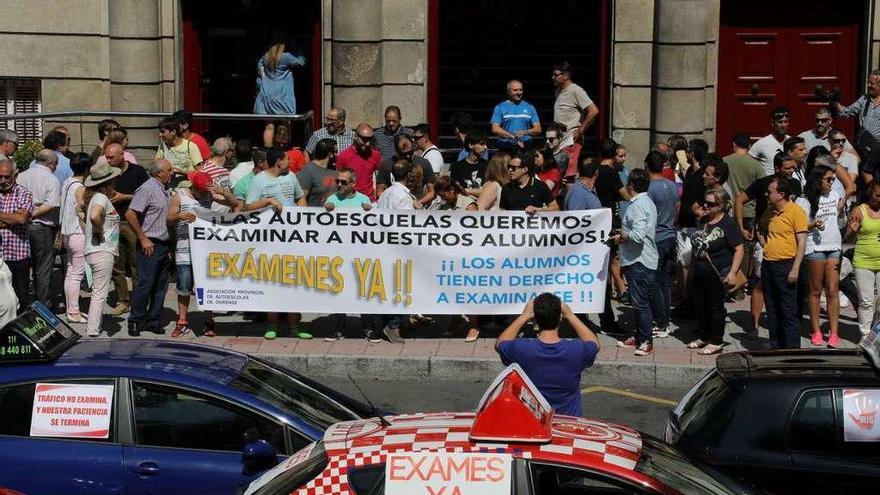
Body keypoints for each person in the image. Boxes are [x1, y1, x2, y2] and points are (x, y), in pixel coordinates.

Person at [495, 293, 600, 417]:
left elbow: (500, 343)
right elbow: (595, 344)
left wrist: (524, 316)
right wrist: (571, 315)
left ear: (535, 319)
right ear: (560, 317)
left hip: (534, 420)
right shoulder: (576, 350)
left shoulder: (521, 349)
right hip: (567, 421)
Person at [244, 148, 309, 340]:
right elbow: (249, 206)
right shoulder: (259, 180)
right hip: (269, 239)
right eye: (287, 159)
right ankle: (272, 325)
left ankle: (294, 326)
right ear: (279, 161)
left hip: (292, 238)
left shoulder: (291, 176)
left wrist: (303, 214)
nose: (290, 162)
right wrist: (269, 201)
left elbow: (300, 197)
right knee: (272, 281)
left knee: (294, 282)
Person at [735, 152, 803, 335]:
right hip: (764, 239)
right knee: (760, 284)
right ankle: (754, 325)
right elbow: (739, 200)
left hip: (787, 242)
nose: (791, 171)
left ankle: (783, 324)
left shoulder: (796, 185)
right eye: (787, 168)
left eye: (793, 167)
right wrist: (742, 228)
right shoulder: (763, 183)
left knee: (784, 287)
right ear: (777, 168)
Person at [168, 171, 239, 338]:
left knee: (207, 285)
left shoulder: (209, 194)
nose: (203, 195)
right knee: (184, 285)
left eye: (205, 192)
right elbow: (169, 219)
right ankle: (182, 321)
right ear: (193, 187)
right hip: (185, 248)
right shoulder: (180, 196)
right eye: (200, 192)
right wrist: (180, 215)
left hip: (205, 249)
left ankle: (209, 320)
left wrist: (224, 192)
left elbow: (235, 204)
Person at [323, 168, 378, 343]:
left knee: (363, 290)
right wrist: (325, 209)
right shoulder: (331, 200)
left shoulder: (364, 200)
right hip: (338, 255)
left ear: (353, 184)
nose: (339, 185)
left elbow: (373, 226)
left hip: (360, 255)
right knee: (338, 291)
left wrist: (370, 211)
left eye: (343, 182)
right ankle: (337, 328)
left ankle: (368, 328)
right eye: (337, 181)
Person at [688, 188, 744, 354]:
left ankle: (716, 340)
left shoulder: (728, 223)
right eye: (705, 202)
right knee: (700, 305)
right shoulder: (702, 220)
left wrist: (732, 272)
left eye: (711, 204)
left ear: (721, 206)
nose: (706, 206)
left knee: (715, 306)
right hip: (699, 270)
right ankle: (704, 336)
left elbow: (739, 249)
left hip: (717, 272)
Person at [125, 159, 174, 336]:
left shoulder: (165, 190)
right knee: (145, 284)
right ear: (159, 173)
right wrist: (143, 238)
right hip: (150, 243)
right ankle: (135, 320)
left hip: (164, 244)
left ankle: (154, 320)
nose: (172, 172)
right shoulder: (147, 188)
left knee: (161, 285)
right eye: (169, 169)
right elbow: (130, 213)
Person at [795, 166, 843, 347]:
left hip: (834, 245)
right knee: (815, 289)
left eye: (833, 179)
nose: (832, 182)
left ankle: (834, 333)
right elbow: (799, 225)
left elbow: (841, 223)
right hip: (815, 247)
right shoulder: (804, 200)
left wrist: (841, 212)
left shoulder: (835, 195)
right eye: (828, 179)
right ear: (818, 180)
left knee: (832, 289)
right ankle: (816, 331)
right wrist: (813, 224)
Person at [612, 169, 658, 356]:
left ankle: (646, 340)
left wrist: (621, 237)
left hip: (639, 260)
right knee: (639, 302)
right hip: (639, 259)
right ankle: (639, 336)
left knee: (640, 303)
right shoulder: (646, 202)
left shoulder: (638, 205)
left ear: (630, 185)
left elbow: (638, 236)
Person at [758, 177, 807, 349]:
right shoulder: (770, 211)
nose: (767, 195)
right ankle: (776, 346)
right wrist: (764, 243)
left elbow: (802, 242)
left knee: (788, 310)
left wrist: (795, 268)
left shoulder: (796, 212)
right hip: (768, 265)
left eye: (770, 192)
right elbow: (760, 227)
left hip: (786, 265)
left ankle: (792, 350)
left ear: (781, 194)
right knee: (772, 308)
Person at [375, 160, 420, 343]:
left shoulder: (385, 194)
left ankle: (396, 322)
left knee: (392, 286)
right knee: (399, 287)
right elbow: (406, 225)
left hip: (385, 247)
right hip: (399, 249)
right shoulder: (402, 197)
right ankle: (393, 326)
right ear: (409, 176)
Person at [106, 143, 149, 316]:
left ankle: (138, 300)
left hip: (132, 223)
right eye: (107, 157)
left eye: (111, 157)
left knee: (136, 263)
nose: (108, 160)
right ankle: (122, 300)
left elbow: (147, 195)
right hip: (112, 222)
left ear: (121, 155)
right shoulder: (107, 172)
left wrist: (124, 197)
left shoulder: (137, 172)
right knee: (117, 265)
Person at [82, 161, 122, 337]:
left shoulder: (93, 198)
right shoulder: (101, 198)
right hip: (102, 250)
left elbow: (80, 212)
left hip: (93, 250)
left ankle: (93, 327)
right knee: (100, 293)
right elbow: (94, 216)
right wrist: (99, 231)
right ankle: (93, 330)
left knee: (97, 291)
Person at [17, 149, 60, 308]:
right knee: (42, 268)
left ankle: (22, 302)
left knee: (22, 267)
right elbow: (51, 203)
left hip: (21, 227)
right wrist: (31, 214)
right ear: (51, 163)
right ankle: (42, 306)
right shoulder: (51, 179)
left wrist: (24, 215)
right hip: (42, 227)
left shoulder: (21, 176)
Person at [645, 150, 679, 338]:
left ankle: (661, 322)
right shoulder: (672, 186)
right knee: (664, 282)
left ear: (647, 166)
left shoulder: (650, 189)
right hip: (670, 235)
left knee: (656, 282)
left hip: (657, 238)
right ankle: (665, 319)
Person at [59, 153, 91, 324]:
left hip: (67, 232)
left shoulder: (67, 182)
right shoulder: (80, 187)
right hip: (77, 233)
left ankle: (71, 309)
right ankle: (73, 311)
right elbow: (82, 210)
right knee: (76, 274)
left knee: (71, 272)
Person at [0, 156, 33, 311]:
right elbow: (16, 218)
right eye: (0, 177)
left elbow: (21, 219)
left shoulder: (23, 193)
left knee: (21, 297)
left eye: (7, 177)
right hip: (0, 256)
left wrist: (15, 218)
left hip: (17, 255)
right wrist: (11, 217)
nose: (3, 181)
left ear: (15, 175)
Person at [848, 180, 880, 338]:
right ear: (870, 193)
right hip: (863, 261)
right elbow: (847, 238)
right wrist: (853, 232)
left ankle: (877, 335)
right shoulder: (859, 210)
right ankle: (865, 336)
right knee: (866, 302)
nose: (879, 199)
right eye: (877, 195)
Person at [376, 134, 436, 207]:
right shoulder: (387, 165)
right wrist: (394, 201)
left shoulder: (423, 163)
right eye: (404, 154)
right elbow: (379, 191)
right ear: (396, 150)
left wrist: (417, 203)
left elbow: (432, 192)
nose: (408, 156)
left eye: (410, 152)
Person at [253, 38, 306, 115]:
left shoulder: (265, 57)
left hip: (265, 96)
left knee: (268, 122)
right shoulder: (286, 57)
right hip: (282, 97)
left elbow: (260, 69)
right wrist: (296, 47)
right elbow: (302, 61)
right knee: (284, 121)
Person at [552, 61, 599, 146]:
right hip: (559, 140)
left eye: (556, 75)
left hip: (571, 141)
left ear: (566, 76)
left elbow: (593, 110)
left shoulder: (576, 90)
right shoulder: (558, 91)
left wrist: (580, 130)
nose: (553, 77)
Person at [490, 79, 541, 151]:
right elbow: (495, 129)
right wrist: (512, 137)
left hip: (525, 146)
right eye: (515, 90)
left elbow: (538, 129)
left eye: (520, 90)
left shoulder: (529, 107)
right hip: (505, 147)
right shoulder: (500, 107)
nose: (518, 92)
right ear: (508, 92)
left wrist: (525, 132)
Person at [336, 124, 381, 201]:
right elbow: (337, 180)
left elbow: (379, 177)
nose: (368, 144)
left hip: (369, 200)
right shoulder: (343, 156)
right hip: (349, 200)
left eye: (370, 140)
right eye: (364, 140)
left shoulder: (375, 155)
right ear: (356, 137)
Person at [156, 116, 202, 186]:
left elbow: (200, 173)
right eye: (160, 132)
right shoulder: (162, 147)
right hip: (168, 188)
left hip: (188, 187)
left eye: (163, 132)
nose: (160, 135)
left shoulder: (190, 146)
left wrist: (183, 172)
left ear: (173, 132)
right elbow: (156, 166)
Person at [750, 107, 791, 176]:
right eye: (780, 122)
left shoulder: (791, 142)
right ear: (772, 123)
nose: (783, 125)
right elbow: (748, 163)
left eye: (786, 122)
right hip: (769, 181)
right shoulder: (762, 143)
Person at [297, 138, 338, 207]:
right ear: (330, 154)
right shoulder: (307, 171)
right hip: (315, 213)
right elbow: (301, 199)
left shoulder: (335, 169)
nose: (337, 154)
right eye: (336, 152)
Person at [450, 130, 488, 196]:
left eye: (486, 144)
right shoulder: (457, 167)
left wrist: (469, 191)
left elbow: (489, 190)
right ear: (471, 145)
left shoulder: (488, 165)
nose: (485, 147)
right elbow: (455, 190)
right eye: (482, 144)